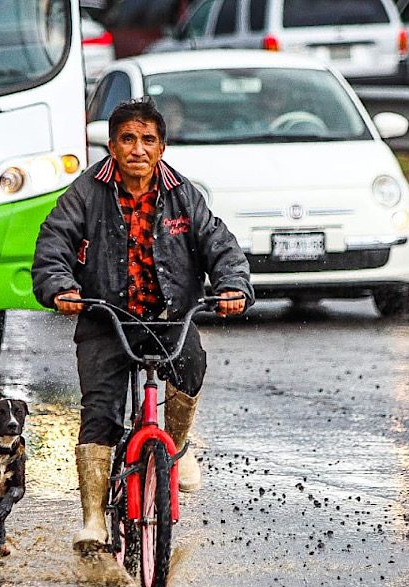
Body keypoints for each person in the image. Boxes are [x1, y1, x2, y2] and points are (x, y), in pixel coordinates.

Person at [32, 98, 253, 552]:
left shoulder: (182, 194)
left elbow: (219, 243)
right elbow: (54, 241)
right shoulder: (86, 192)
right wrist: (59, 287)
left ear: (162, 147)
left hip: (170, 317)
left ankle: (173, 450)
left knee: (191, 366)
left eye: (147, 140)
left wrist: (233, 285)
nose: (138, 149)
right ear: (112, 146)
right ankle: (93, 517)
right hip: (104, 318)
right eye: (128, 139)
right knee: (100, 413)